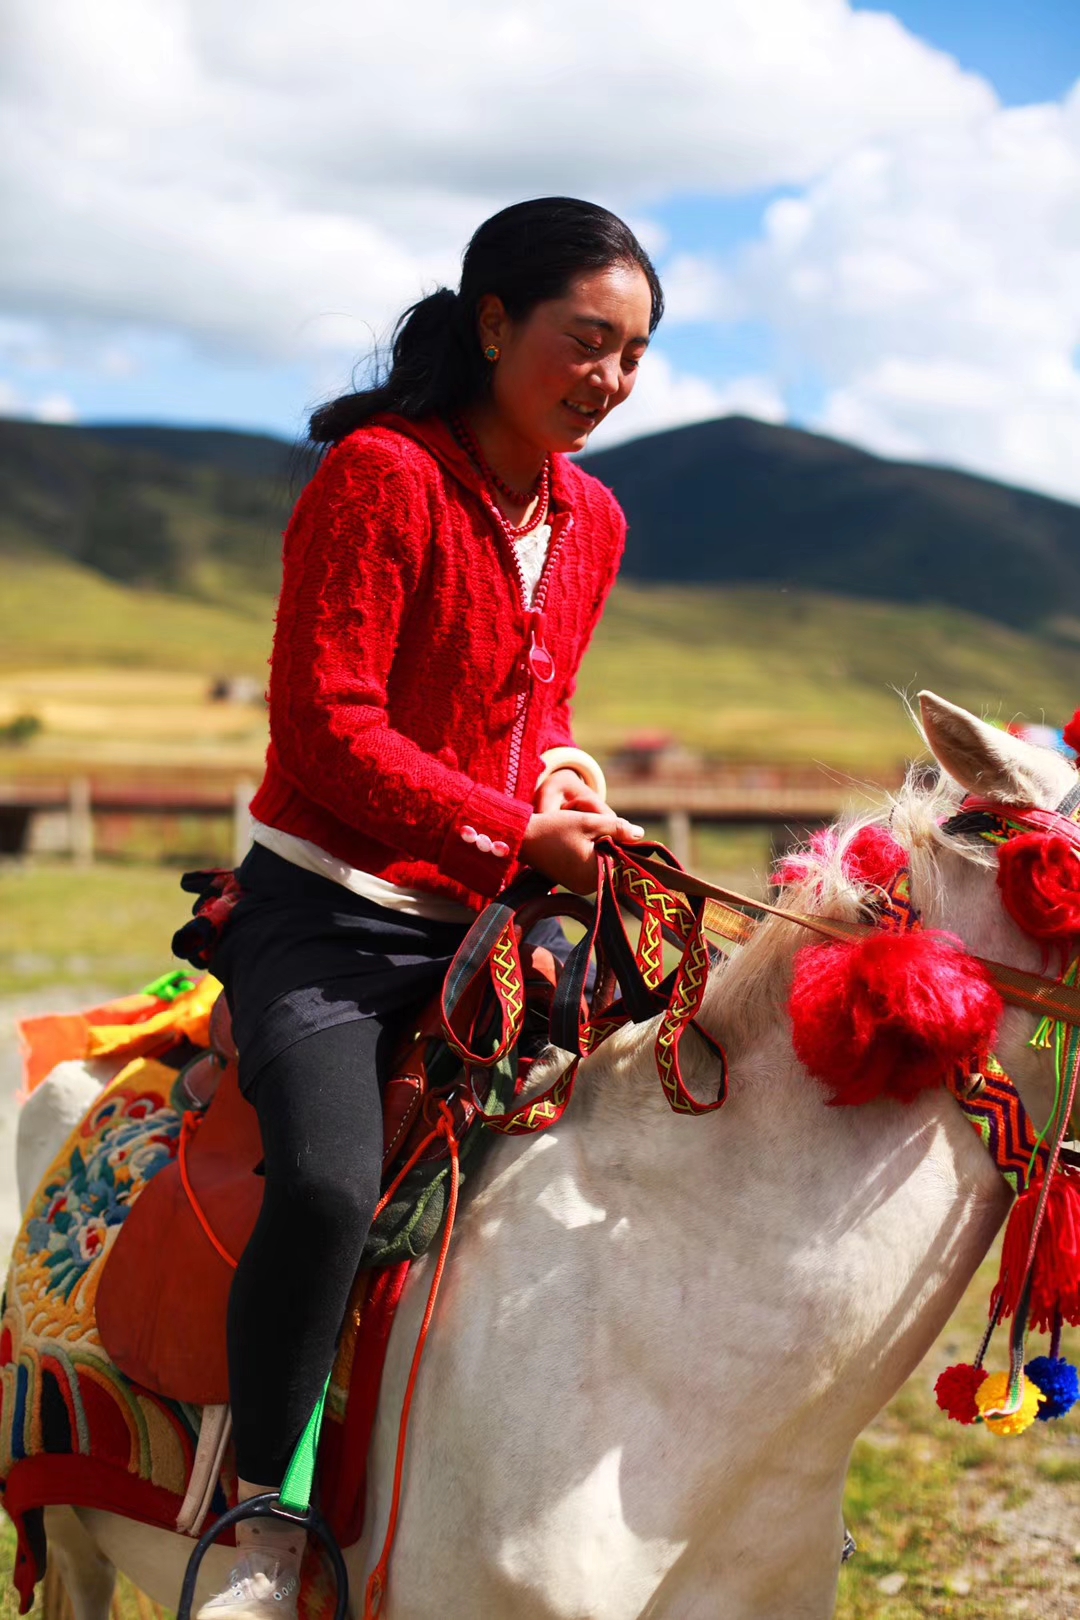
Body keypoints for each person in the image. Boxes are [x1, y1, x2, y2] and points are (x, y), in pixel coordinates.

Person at [187, 196, 663, 1619]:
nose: (611, 381)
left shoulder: (594, 516)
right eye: (587, 343)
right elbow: (328, 729)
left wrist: (565, 786)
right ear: (495, 323)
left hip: (486, 920)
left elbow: (539, 698)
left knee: (677, 1111)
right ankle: (256, 1518)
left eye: (637, 356)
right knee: (331, 1182)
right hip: (324, 921)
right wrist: (516, 829)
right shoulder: (379, 478)